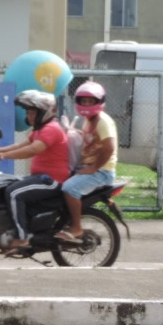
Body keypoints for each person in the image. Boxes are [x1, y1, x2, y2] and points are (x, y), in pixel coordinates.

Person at [0, 90, 71, 252]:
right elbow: (19, 146)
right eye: (27, 113)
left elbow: (32, 150)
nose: (29, 116)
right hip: (41, 178)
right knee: (6, 185)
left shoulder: (51, 129)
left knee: (13, 193)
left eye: (32, 112)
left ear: (44, 113)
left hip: (52, 181)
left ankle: (22, 238)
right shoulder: (39, 129)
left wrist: (3, 156)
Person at [56, 81, 117, 242]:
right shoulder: (88, 119)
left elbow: (109, 148)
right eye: (84, 101)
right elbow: (89, 139)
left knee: (69, 188)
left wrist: (94, 168)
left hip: (102, 172)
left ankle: (76, 228)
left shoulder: (103, 121)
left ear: (99, 101)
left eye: (91, 101)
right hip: (89, 167)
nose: (87, 104)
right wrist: (70, 131)